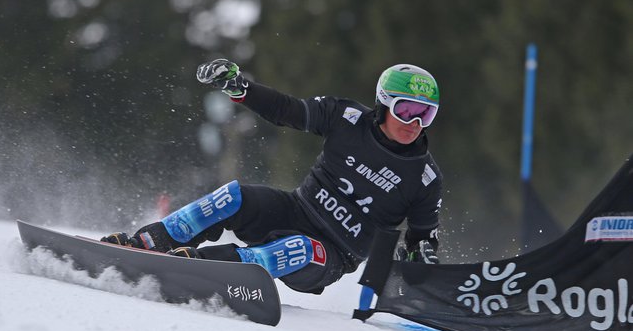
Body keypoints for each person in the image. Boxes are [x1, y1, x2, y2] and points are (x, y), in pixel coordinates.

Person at [102, 59, 443, 294]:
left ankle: (203, 268)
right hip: (295, 210)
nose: (415, 123)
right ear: (384, 104)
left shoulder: (425, 178)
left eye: (426, 114)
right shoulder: (347, 117)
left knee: (297, 248)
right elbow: (288, 110)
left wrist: (422, 257)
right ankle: (147, 243)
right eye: (407, 110)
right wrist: (238, 88)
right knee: (232, 196)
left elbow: (420, 240)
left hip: (332, 254)